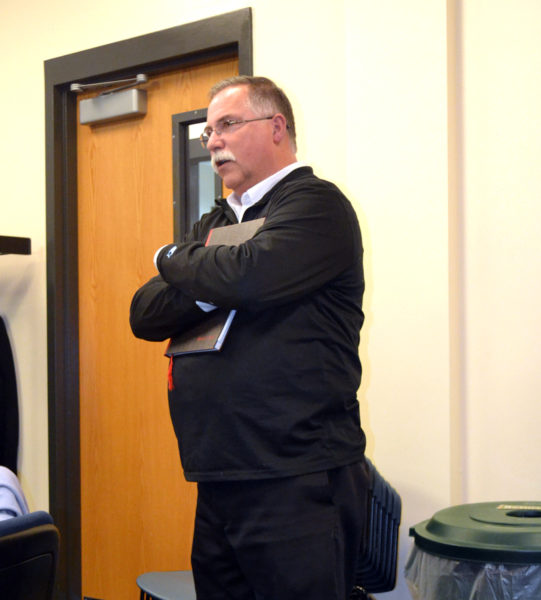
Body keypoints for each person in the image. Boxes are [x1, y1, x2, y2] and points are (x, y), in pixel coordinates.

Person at [130, 75, 370, 600]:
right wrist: (212, 283)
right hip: (219, 474)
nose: (213, 141)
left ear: (277, 126)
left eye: (228, 125)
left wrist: (172, 260)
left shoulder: (315, 207)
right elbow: (145, 313)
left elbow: (249, 276)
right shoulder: (216, 222)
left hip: (295, 475)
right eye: (208, 132)